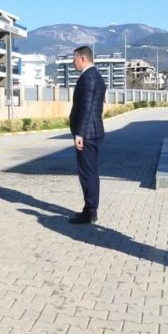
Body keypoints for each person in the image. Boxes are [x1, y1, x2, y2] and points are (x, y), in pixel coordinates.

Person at [68, 46, 106, 225]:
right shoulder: (95, 76)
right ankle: (89, 209)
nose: (72, 62)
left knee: (87, 174)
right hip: (92, 132)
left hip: (88, 133)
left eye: (74, 58)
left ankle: (90, 212)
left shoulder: (88, 78)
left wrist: (79, 134)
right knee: (90, 173)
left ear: (82, 58)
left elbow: (87, 108)